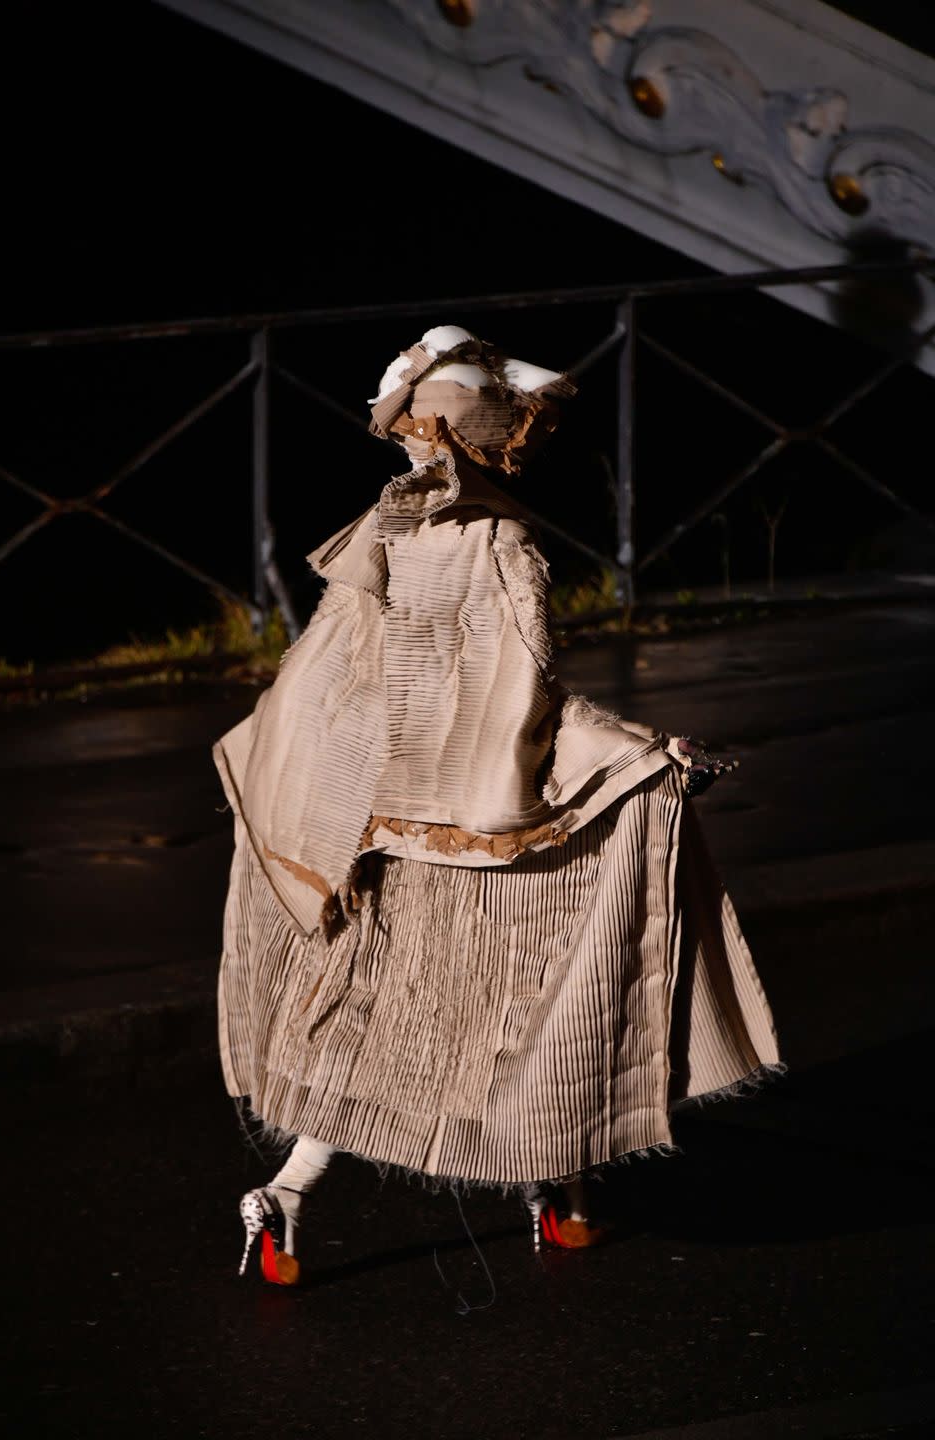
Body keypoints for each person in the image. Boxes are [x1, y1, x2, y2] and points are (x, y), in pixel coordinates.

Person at [214, 324, 781, 1287]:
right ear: (485, 439)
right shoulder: (508, 542)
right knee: (523, 1011)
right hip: (477, 827)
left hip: (381, 817)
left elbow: (329, 673)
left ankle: (295, 1195)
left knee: (378, 1020)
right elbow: (530, 695)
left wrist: (318, 781)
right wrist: (643, 753)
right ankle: (555, 1197)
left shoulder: (383, 529)